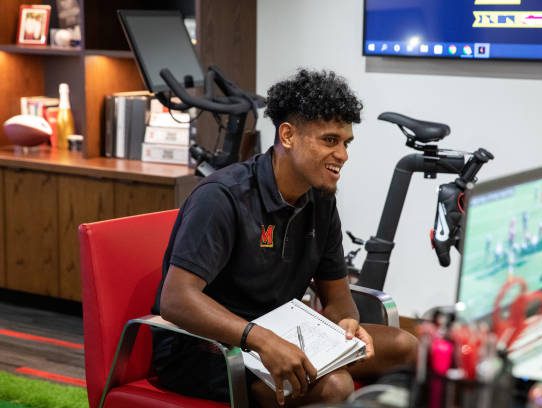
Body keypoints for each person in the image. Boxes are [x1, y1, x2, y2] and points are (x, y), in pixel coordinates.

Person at [152, 69, 418, 407]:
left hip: (283, 334)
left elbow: (336, 295)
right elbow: (175, 300)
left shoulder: (320, 199)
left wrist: (345, 325)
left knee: (405, 346)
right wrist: (260, 339)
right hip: (206, 348)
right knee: (335, 386)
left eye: (346, 143)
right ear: (288, 135)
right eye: (330, 140)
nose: (343, 155)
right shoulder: (222, 197)